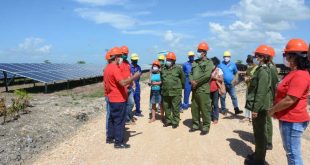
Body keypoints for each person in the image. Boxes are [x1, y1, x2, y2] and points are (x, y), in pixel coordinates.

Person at [268, 39, 309, 165]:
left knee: (293, 154)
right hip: (288, 119)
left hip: (293, 120)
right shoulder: (294, 73)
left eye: (286, 55)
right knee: (290, 151)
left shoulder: (300, 75)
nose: (285, 58)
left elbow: (290, 99)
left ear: (294, 57)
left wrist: (272, 110)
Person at [104, 47, 140, 149]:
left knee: (112, 118)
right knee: (119, 120)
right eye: (120, 56)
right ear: (116, 57)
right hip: (118, 98)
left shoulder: (107, 68)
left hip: (111, 97)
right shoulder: (115, 68)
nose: (121, 58)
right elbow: (123, 82)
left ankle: (110, 138)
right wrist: (134, 77)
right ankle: (118, 142)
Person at [244, 45, 273, 165]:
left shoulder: (264, 71)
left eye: (257, 56)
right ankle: (257, 154)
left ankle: (259, 160)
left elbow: (261, 92)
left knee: (261, 134)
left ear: (262, 57)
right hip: (258, 106)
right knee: (257, 132)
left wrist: (255, 109)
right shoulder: (260, 69)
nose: (255, 57)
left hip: (260, 108)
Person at [189, 42, 214, 135]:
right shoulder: (195, 62)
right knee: (194, 108)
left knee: (205, 109)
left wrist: (196, 82)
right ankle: (196, 124)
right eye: (198, 51)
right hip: (194, 89)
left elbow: (207, 75)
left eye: (199, 51)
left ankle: (206, 126)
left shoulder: (209, 62)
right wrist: (191, 81)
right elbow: (190, 73)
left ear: (204, 52)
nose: (198, 53)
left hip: (203, 90)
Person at [161, 52, 185, 128]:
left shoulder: (178, 69)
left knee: (175, 107)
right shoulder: (163, 69)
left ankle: (175, 121)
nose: (168, 61)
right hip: (165, 92)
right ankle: (168, 121)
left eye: (170, 59)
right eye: (167, 59)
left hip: (176, 92)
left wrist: (181, 88)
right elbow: (162, 79)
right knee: (166, 107)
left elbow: (183, 79)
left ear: (173, 61)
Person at [218, 51, 243, 115]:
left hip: (231, 84)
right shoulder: (220, 65)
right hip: (223, 84)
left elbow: (236, 72)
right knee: (222, 97)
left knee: (234, 97)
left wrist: (235, 80)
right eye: (225, 56)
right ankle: (223, 110)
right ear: (223, 57)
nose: (226, 58)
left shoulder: (233, 64)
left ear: (230, 57)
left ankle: (236, 109)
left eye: (228, 57)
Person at [265, 46, 279, 150]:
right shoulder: (262, 66)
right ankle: (262, 138)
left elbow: (274, 84)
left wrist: (274, 100)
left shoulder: (272, 68)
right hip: (262, 97)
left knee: (267, 120)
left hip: (268, 98)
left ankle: (268, 141)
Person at [120, 45, 136, 124]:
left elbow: (129, 73)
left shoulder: (127, 63)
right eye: (124, 53)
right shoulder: (118, 63)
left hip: (129, 86)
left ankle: (127, 117)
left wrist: (132, 82)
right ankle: (126, 119)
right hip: (123, 87)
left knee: (131, 103)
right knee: (124, 104)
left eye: (126, 54)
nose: (125, 55)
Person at [242, 55, 258, 124]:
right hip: (248, 87)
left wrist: (249, 78)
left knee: (253, 102)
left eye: (249, 63)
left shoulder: (257, 69)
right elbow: (246, 75)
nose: (248, 64)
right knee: (247, 101)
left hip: (254, 88)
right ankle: (247, 116)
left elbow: (256, 78)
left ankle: (252, 118)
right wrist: (245, 78)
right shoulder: (249, 68)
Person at [210, 57, 223, 124]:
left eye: (212, 64)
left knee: (215, 104)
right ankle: (210, 116)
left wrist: (214, 77)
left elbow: (221, 79)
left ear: (215, 64)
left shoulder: (219, 70)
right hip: (208, 90)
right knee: (209, 104)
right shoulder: (208, 70)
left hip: (215, 90)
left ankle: (215, 118)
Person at [104, 50, 112, 136]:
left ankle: (109, 131)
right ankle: (109, 131)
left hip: (108, 94)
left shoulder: (107, 68)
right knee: (110, 113)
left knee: (110, 113)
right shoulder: (108, 69)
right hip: (110, 95)